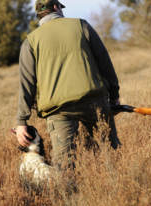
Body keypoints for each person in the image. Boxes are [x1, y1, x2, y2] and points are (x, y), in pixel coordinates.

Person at [16, 0, 121, 170]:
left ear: (39, 15)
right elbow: (104, 62)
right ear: (56, 8)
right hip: (95, 102)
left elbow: (26, 85)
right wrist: (114, 96)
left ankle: (70, 195)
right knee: (111, 155)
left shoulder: (30, 42)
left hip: (58, 112)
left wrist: (21, 122)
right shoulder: (81, 25)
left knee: (64, 167)